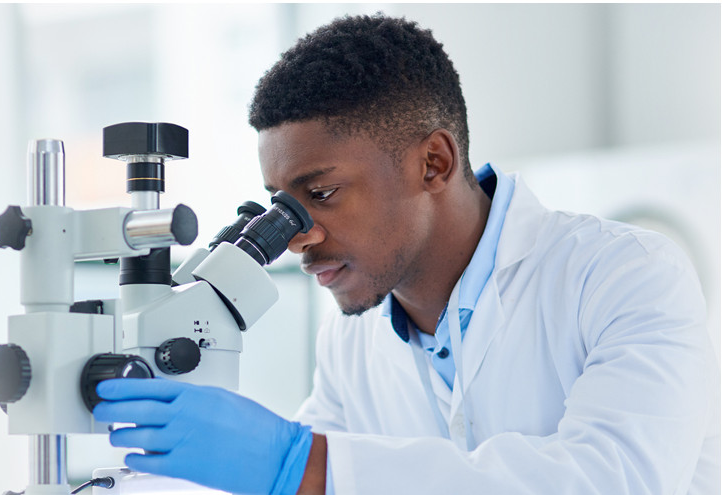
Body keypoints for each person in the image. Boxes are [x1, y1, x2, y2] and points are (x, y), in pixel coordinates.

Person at [93, 14, 720, 495]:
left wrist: (297, 464)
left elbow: (611, 480)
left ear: (433, 163)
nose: (297, 234)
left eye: (322, 193)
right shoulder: (351, 341)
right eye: (280, 206)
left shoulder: (625, 276)